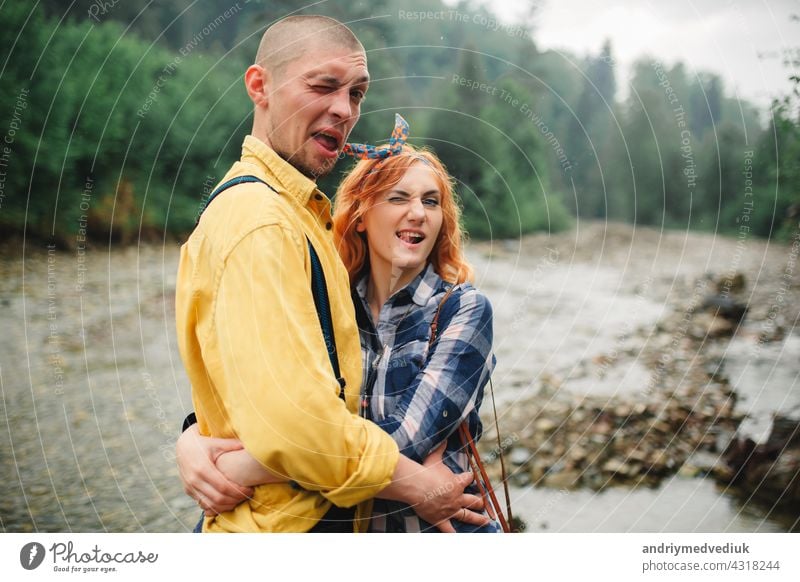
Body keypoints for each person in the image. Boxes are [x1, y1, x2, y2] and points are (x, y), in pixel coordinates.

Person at [175, 15, 487, 533]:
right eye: (323, 86)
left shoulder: (300, 221)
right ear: (260, 86)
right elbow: (298, 423)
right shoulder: (261, 221)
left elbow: (262, 386)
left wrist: (214, 450)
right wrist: (413, 482)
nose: (344, 110)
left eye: (357, 93)